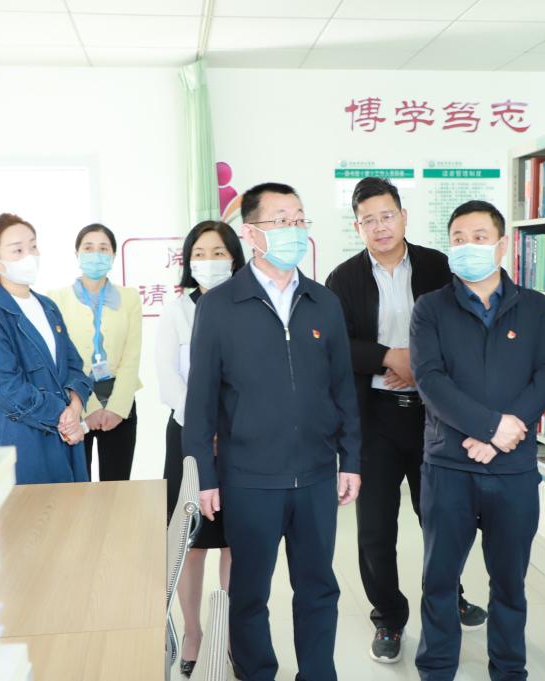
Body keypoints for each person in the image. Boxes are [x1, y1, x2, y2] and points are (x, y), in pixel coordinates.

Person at [184, 182, 362, 681]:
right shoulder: (220, 305)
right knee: (249, 594)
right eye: (281, 220)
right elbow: (200, 402)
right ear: (252, 233)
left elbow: (343, 389)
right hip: (249, 478)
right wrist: (204, 477)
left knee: (319, 589)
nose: (294, 229)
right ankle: (256, 672)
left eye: (299, 219)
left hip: (315, 475)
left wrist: (351, 460)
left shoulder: (323, 301)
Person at [325, 177, 487, 664]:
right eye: (369, 220)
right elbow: (335, 344)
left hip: (433, 416)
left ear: (404, 216)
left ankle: (450, 594)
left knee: (440, 517)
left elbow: (463, 325)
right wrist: (386, 357)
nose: (380, 227)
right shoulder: (343, 279)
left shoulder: (438, 266)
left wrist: (418, 363)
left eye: (387, 215)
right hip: (373, 417)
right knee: (375, 529)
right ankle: (389, 617)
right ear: (357, 227)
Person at [411, 200, 545, 681]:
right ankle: (437, 669)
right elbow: (430, 380)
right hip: (449, 467)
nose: (467, 246)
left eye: (478, 236)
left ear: (501, 244)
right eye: (458, 238)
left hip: (513, 469)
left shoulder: (534, 306)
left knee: (510, 583)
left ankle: (509, 670)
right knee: (439, 581)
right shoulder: (430, 307)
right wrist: (491, 428)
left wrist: (499, 439)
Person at [156, 220, 245, 677]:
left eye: (218, 252)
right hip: (189, 437)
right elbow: (168, 379)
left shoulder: (249, 306)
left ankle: (226, 634)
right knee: (191, 544)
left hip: (241, 440)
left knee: (235, 541)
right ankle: (192, 632)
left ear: (234, 258)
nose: (209, 261)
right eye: (200, 254)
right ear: (188, 262)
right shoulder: (176, 311)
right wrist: (202, 427)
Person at [0, 212, 92, 484]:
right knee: (32, 510)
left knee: (72, 506)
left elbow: (74, 365)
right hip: (23, 441)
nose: (30, 256)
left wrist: (75, 405)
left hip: (64, 434)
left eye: (33, 246)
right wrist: (63, 415)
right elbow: (6, 389)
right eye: (18, 250)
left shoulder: (48, 306)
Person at [48, 224, 142, 481]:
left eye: (103, 248)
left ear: (113, 255)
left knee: (117, 484)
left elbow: (131, 357)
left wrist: (117, 408)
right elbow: (60, 360)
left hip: (120, 400)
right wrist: (88, 410)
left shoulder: (129, 298)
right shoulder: (55, 299)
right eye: (88, 248)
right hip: (75, 403)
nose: (96, 254)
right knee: (79, 483)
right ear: (77, 254)